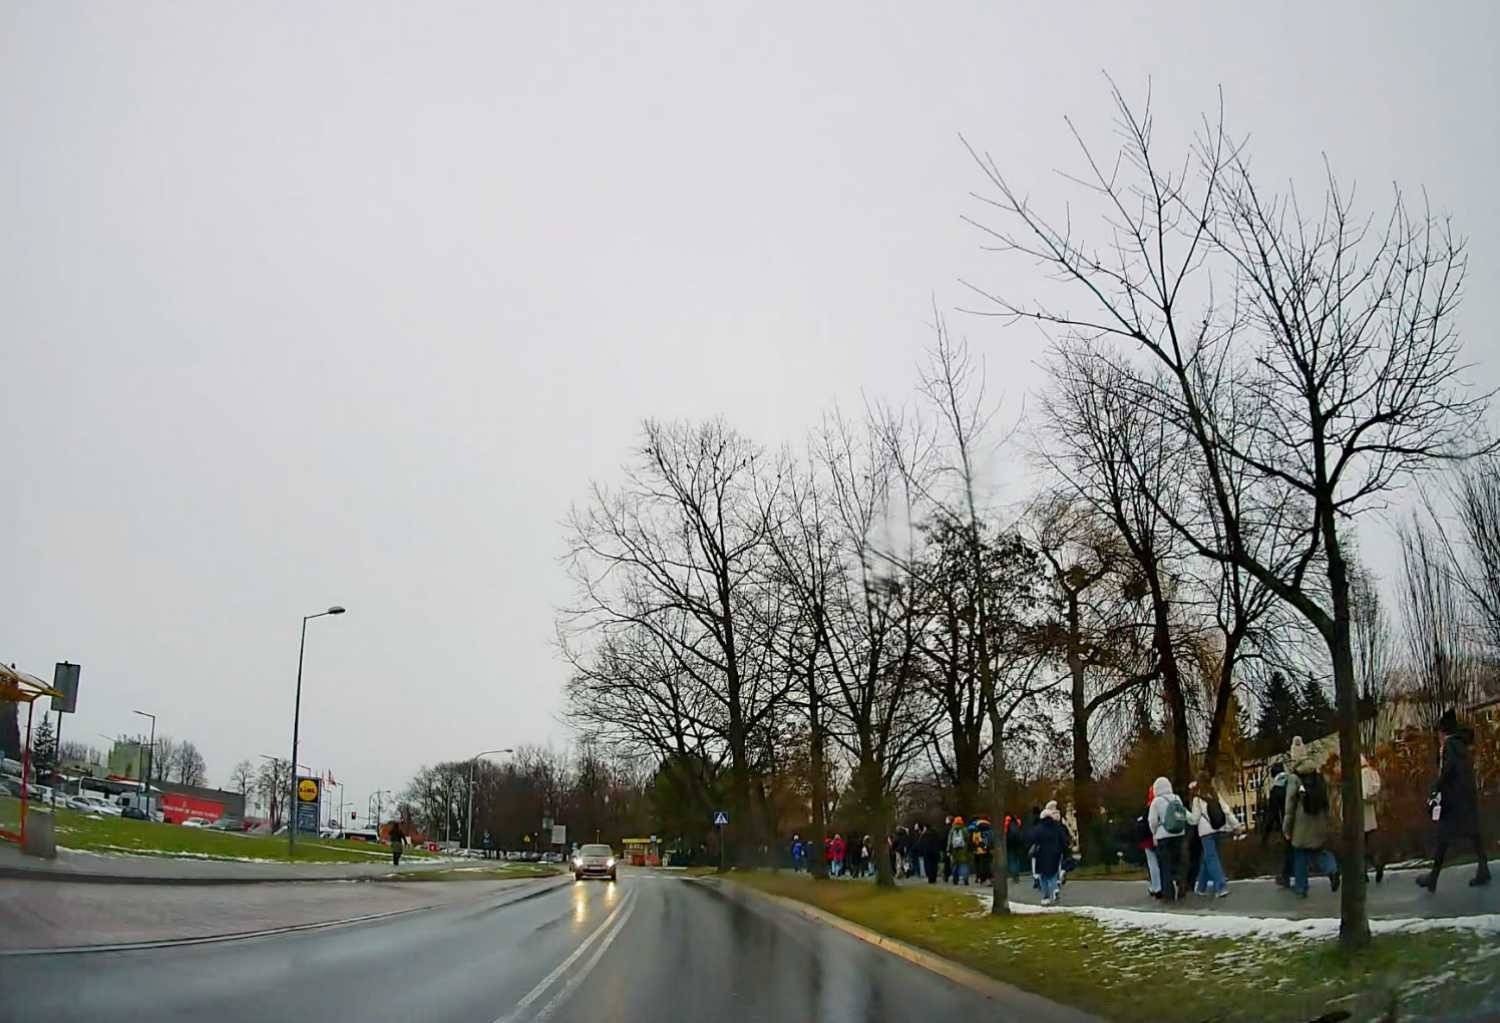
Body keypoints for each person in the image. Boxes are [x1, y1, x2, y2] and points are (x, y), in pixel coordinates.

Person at [1417, 708, 1491, 892]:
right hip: (1466, 795)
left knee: (1443, 836)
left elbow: (1447, 770)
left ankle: (1433, 878)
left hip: (1453, 800)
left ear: (1443, 732)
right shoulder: (1462, 745)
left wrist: (1436, 788)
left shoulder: (1449, 746)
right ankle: (1483, 868)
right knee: (1473, 833)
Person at [1284, 742, 1339, 898]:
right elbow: (1327, 799)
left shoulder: (1294, 778)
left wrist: (1287, 829)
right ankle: (1332, 869)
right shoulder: (1318, 774)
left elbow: (1289, 806)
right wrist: (1329, 820)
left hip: (1301, 823)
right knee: (1318, 850)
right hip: (1319, 819)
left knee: (1299, 853)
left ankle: (1301, 888)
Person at [1190, 773, 1240, 898]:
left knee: (1211, 859)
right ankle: (1201, 887)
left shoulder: (1197, 798)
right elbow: (1226, 810)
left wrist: (1186, 815)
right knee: (1208, 859)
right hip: (1218, 829)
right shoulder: (1214, 794)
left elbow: (1194, 819)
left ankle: (1221, 886)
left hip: (1206, 833)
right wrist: (1236, 825)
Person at [1147, 776, 1189, 900]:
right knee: (1179, 863)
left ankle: (1168, 894)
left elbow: (1152, 821)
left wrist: (1154, 833)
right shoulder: (1177, 798)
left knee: (1165, 865)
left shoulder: (1156, 802)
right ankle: (1182, 885)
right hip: (1179, 834)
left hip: (1163, 837)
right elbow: (1182, 815)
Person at [1025, 801, 1072, 906]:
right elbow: (1063, 840)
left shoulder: (1038, 828)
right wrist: (1066, 852)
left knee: (1043, 876)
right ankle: (1055, 889)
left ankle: (1046, 896)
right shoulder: (1057, 827)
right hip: (1055, 854)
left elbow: (1031, 838)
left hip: (1041, 855)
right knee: (1053, 875)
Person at [1260, 762, 1293, 887]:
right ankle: (1290, 877)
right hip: (1301, 820)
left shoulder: (1276, 789)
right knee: (1300, 850)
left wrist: (1265, 835)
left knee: (1291, 851)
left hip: (1287, 823)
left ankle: (1287, 878)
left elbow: (1272, 814)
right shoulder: (1292, 781)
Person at [1359, 756, 1384, 884]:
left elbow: (1363, 794)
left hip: (1360, 815)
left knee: (1359, 846)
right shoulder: (1371, 771)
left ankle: (1364, 872)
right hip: (1370, 815)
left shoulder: (1361, 774)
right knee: (1370, 843)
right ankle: (1377, 863)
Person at [1137, 784, 1162, 899]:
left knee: (1153, 863)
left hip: (1149, 839)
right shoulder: (1161, 803)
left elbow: (1149, 822)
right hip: (1160, 837)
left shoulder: (1149, 806)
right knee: (1161, 862)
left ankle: (1156, 886)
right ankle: (1162, 884)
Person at [948, 816, 971, 885]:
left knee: (955, 865)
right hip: (963, 850)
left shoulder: (952, 830)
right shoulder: (964, 829)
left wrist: (948, 850)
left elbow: (949, 841)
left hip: (954, 850)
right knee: (964, 864)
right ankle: (965, 879)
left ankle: (955, 879)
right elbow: (967, 839)